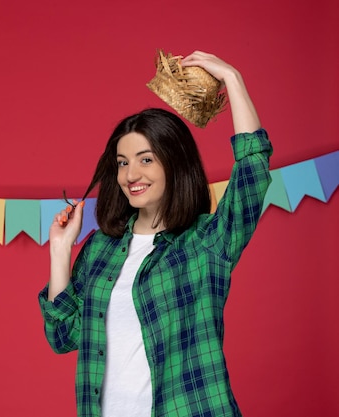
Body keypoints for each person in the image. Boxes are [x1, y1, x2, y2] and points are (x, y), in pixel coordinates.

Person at [38, 51, 273, 417]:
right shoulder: (101, 249)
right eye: (122, 163)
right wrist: (60, 253)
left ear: (174, 163)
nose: (131, 175)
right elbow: (63, 337)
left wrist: (232, 78)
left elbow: (253, 172)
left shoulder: (207, 242)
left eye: (146, 159)